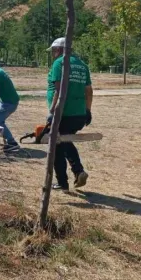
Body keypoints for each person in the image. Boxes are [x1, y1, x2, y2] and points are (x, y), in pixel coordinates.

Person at [46, 37, 93, 191]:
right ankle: (78, 172)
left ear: (59, 50)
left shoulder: (59, 63)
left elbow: (60, 91)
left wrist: (53, 111)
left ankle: (63, 182)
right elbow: (88, 90)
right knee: (64, 140)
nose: (53, 54)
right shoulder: (82, 65)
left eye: (53, 51)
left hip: (64, 113)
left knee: (57, 146)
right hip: (79, 113)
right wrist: (88, 110)